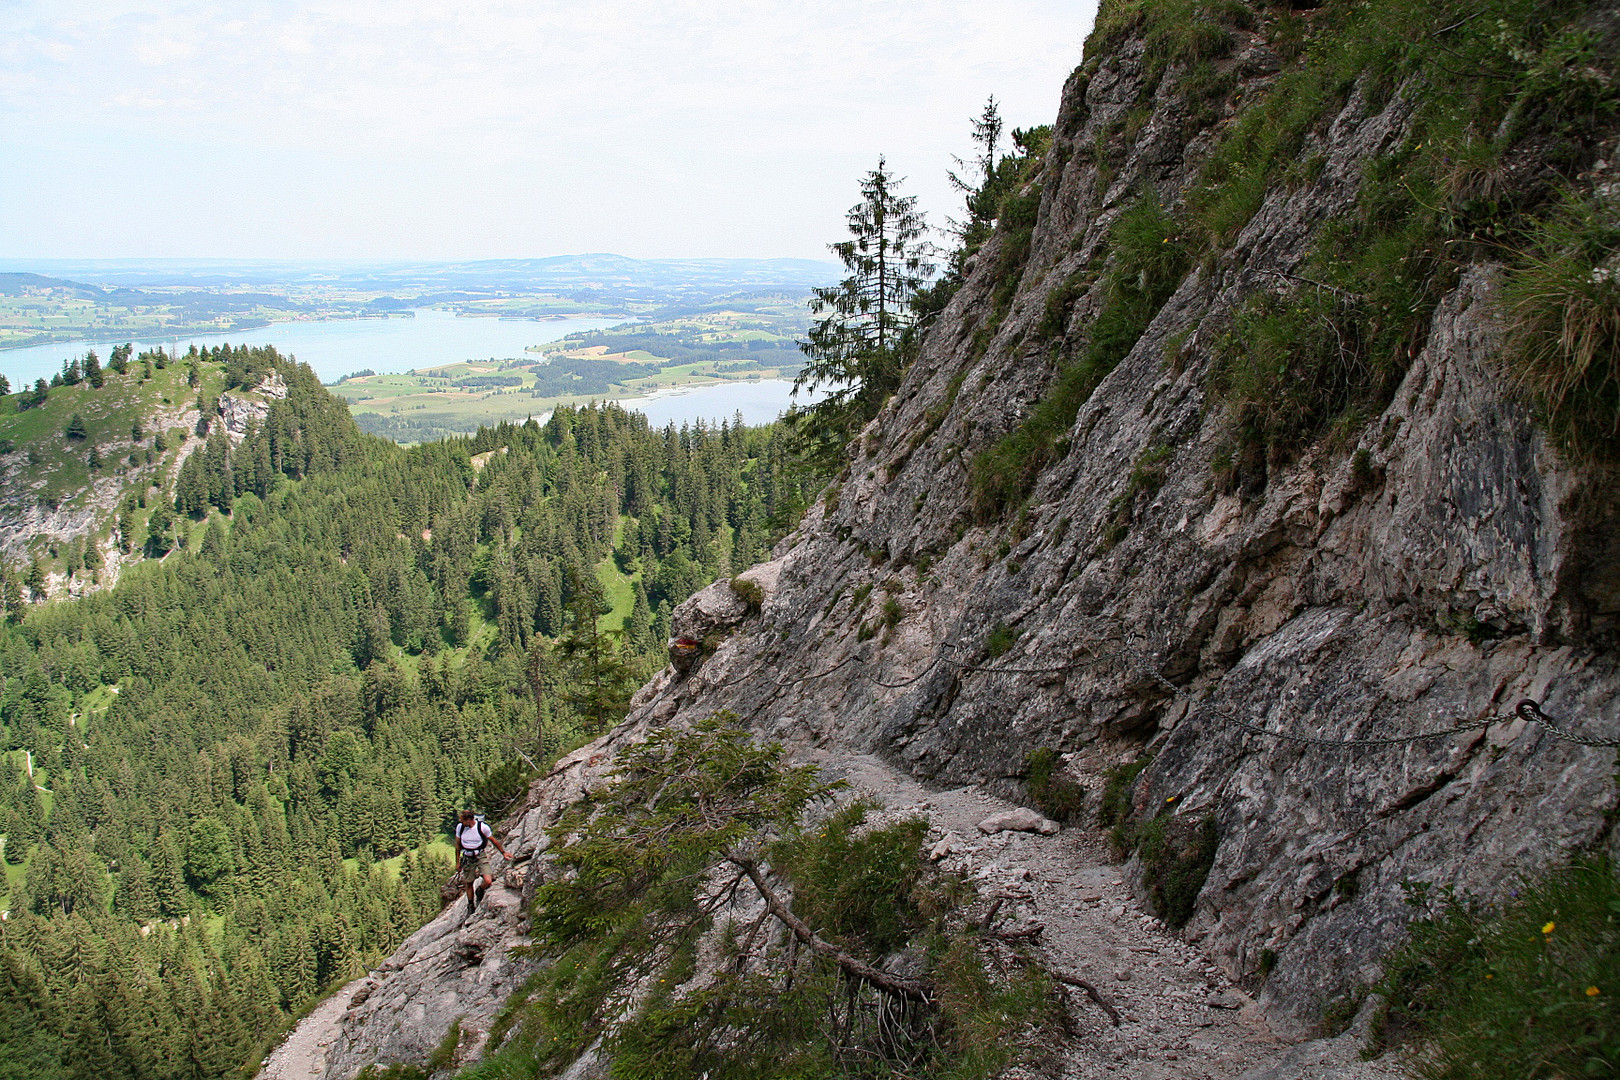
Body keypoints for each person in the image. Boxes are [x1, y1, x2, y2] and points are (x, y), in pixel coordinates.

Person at [453, 809, 511, 910]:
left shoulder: (482, 828)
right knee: (469, 881)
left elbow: (494, 840)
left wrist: (503, 852)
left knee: (488, 880)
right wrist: (457, 862)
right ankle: (470, 905)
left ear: (468, 820)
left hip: (480, 855)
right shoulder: (460, 827)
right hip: (467, 857)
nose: (461, 822)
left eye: (462, 820)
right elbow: (458, 845)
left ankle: (480, 889)